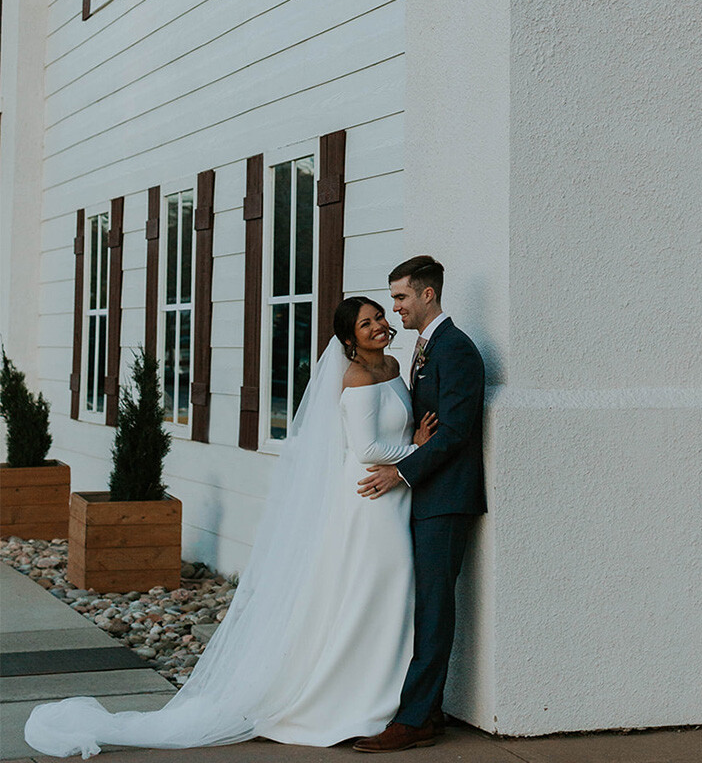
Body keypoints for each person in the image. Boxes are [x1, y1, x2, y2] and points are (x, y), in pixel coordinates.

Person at [23, 297, 436, 758]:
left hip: (394, 494)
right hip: (369, 498)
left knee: (391, 596)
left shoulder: (395, 365)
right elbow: (366, 449)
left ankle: (384, 695)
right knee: (369, 594)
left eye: (380, 316)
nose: (379, 325)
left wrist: (411, 447)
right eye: (366, 323)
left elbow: (391, 432)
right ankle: (351, 703)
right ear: (348, 339)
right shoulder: (356, 376)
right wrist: (417, 450)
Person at [352, 255, 487, 754]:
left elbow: (455, 432)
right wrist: (409, 441)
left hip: (447, 500)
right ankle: (425, 710)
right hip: (425, 497)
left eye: (402, 297)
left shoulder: (457, 349)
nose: (395, 309)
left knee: (434, 607)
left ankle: (414, 721)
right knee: (422, 605)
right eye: (393, 299)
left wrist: (401, 470)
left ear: (428, 295)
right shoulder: (424, 347)